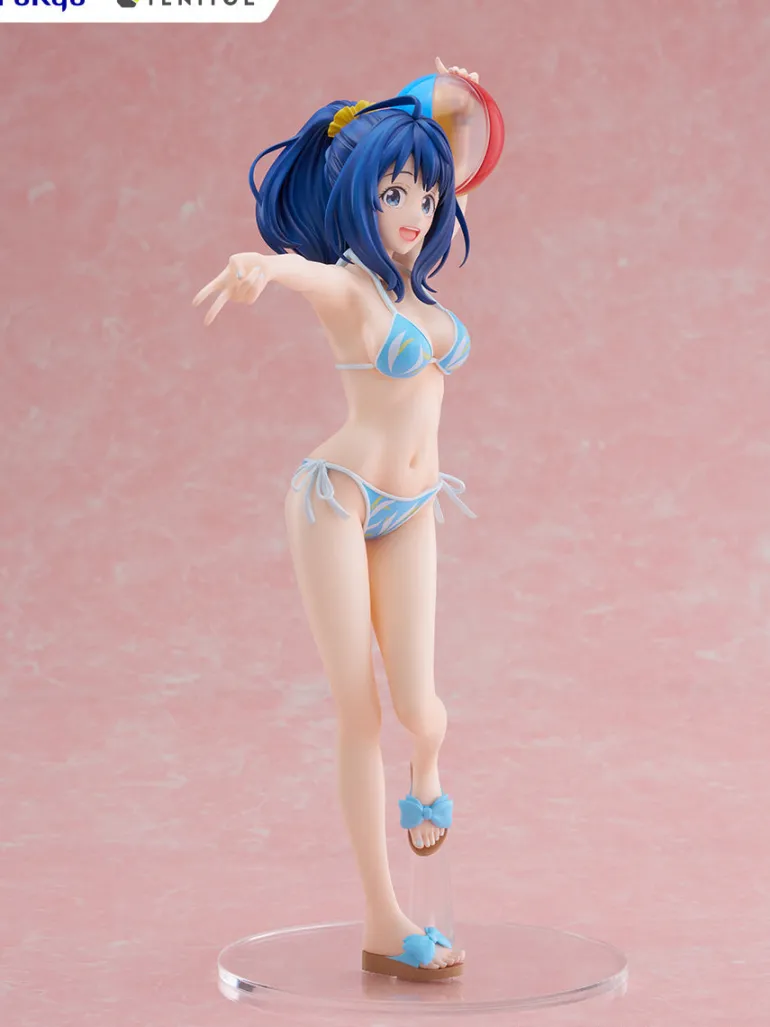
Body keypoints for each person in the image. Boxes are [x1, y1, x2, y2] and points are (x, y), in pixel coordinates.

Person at [194, 59, 481, 983]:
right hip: (335, 499)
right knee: (359, 710)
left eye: (426, 195)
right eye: (395, 194)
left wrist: (448, 96)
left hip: (414, 506)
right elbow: (298, 273)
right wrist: (259, 266)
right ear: (359, 196)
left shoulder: (419, 289)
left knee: (422, 709)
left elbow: (446, 138)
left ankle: (427, 769)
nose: (416, 210)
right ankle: (384, 920)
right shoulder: (351, 286)